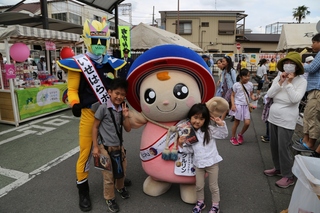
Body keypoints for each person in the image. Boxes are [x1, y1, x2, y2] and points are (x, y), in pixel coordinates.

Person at [57, 18, 128, 212]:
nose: (99, 45)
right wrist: (75, 103)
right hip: (90, 114)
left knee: (116, 146)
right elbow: (71, 90)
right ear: (87, 40)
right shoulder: (78, 64)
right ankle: (83, 189)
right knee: (86, 152)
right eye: (95, 41)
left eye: (102, 42)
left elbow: (117, 89)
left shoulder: (111, 63)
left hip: (111, 113)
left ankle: (118, 177)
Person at [264, 52, 307, 188]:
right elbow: (270, 94)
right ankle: (278, 168)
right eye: (286, 63)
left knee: (284, 147)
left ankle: (288, 176)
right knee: (274, 146)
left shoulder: (302, 81)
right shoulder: (279, 76)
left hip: (287, 118)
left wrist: (288, 83)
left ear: (297, 67)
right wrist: (281, 81)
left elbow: (295, 99)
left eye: (292, 64)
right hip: (273, 116)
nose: (288, 66)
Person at [177, 103, 228, 213]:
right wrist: (181, 144)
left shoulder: (210, 130)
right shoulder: (189, 132)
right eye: (195, 117)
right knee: (199, 186)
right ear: (190, 117)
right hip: (198, 164)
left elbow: (223, 135)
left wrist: (221, 124)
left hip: (212, 162)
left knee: (213, 186)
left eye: (201, 119)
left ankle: (215, 205)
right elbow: (190, 150)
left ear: (205, 120)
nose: (197, 121)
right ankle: (200, 202)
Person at [92, 78, 131, 212]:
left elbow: (128, 129)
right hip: (105, 148)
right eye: (117, 93)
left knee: (121, 171)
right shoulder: (103, 108)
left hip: (119, 147)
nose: (119, 97)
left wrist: (126, 116)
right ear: (109, 92)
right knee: (108, 176)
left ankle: (120, 187)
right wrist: (95, 147)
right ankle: (110, 198)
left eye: (122, 94)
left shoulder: (122, 109)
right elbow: (95, 127)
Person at [292, 33, 320, 159]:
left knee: (312, 116)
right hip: (314, 90)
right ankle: (306, 140)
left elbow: (312, 68)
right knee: (309, 115)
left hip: (317, 90)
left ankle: (310, 143)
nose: (312, 45)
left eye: (314, 42)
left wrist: (303, 65)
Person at [229, 68, 258, 145]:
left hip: (246, 106)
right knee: (236, 122)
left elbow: (251, 94)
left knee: (247, 123)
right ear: (241, 76)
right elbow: (232, 95)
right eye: (245, 76)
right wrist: (233, 105)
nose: (247, 78)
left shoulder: (250, 84)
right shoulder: (236, 85)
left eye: (248, 76)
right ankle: (233, 137)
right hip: (238, 105)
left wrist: (254, 98)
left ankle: (240, 134)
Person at [220, 56, 237, 120]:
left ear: (228, 62)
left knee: (225, 102)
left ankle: (222, 118)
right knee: (229, 102)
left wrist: (234, 90)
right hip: (225, 88)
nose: (222, 62)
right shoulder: (224, 70)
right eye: (222, 61)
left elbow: (234, 81)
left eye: (224, 61)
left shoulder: (232, 71)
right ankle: (233, 114)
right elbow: (223, 80)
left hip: (230, 88)